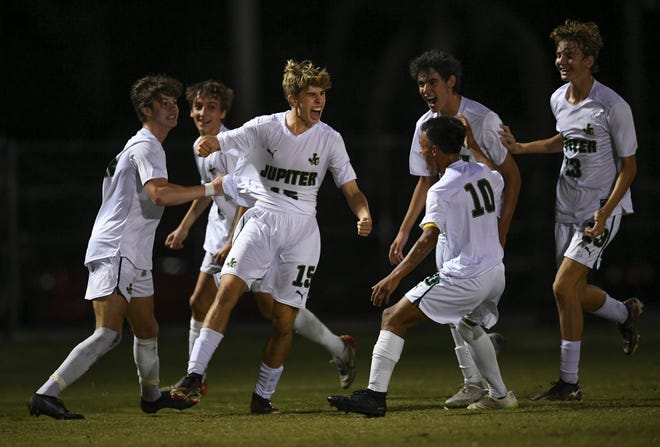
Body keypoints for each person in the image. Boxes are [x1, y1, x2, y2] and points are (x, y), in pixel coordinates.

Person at [169, 60, 372, 413]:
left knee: (282, 321)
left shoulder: (330, 139)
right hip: (261, 222)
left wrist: (363, 213)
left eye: (323, 95)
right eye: (312, 95)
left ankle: (262, 398)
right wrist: (209, 143)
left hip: (302, 234)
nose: (320, 102)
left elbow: (351, 189)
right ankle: (193, 375)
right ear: (293, 98)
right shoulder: (265, 127)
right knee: (227, 291)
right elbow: (225, 140)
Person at [27, 74, 226, 420]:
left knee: (147, 329)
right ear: (145, 109)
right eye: (163, 103)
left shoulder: (138, 146)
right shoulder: (147, 145)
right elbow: (160, 194)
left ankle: (151, 397)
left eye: (174, 102)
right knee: (107, 333)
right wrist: (211, 188)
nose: (173, 109)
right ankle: (46, 393)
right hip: (118, 249)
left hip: (134, 253)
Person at [328, 116, 517, 417]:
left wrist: (393, 276)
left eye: (424, 147)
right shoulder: (483, 173)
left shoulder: (441, 190)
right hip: (495, 271)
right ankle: (499, 395)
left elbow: (428, 238)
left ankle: (375, 396)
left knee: (393, 317)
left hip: (466, 275)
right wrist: (473, 142)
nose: (422, 152)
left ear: (435, 151)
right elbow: (497, 172)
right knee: (469, 326)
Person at [499, 19, 643, 401]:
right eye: (559, 53)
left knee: (562, 287)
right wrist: (520, 148)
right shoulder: (558, 98)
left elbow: (629, 167)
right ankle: (624, 314)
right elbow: (563, 140)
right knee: (573, 292)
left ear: (590, 60)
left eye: (571, 54)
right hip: (566, 207)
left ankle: (569, 383)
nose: (562, 60)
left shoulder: (613, 106)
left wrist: (605, 212)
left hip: (599, 209)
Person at [389, 50, 521, 406]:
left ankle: (486, 383)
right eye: (420, 83)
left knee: (463, 312)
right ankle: (475, 383)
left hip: (478, 229)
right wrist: (404, 231)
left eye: (432, 81)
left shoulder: (482, 118)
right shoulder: (424, 126)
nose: (426, 89)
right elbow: (425, 181)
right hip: (447, 227)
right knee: (454, 315)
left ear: (451, 82)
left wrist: (502, 230)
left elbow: (511, 177)